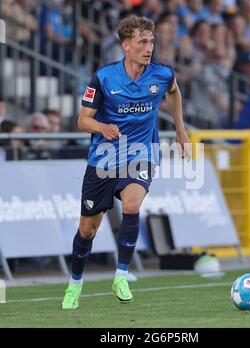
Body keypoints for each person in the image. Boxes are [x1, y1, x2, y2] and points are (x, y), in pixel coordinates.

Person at [62, 15, 191, 309]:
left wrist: (181, 130)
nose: (149, 48)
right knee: (87, 231)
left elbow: (174, 92)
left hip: (141, 153)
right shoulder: (104, 78)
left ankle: (121, 275)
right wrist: (102, 128)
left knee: (132, 205)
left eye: (151, 41)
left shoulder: (161, 75)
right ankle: (74, 285)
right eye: (142, 42)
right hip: (104, 158)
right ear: (126, 46)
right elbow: (82, 120)